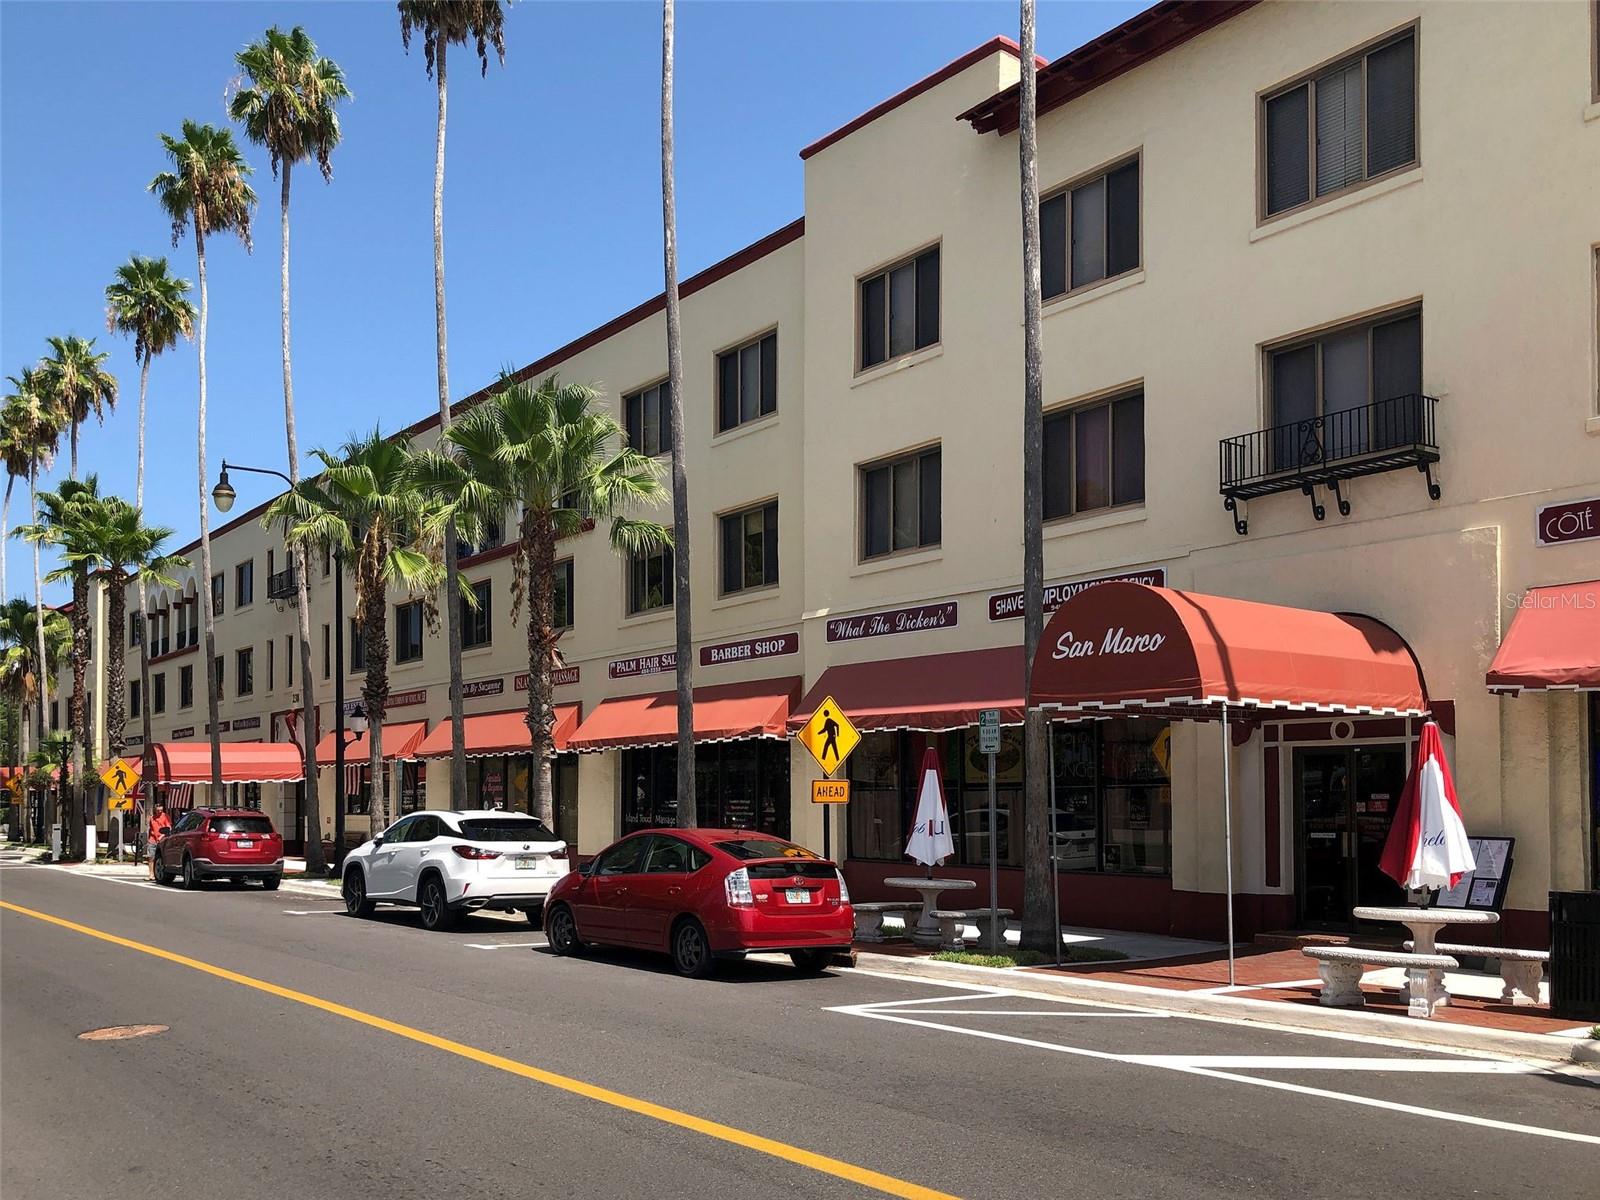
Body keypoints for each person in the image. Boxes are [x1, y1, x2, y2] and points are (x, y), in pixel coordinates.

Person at [146, 800, 171, 879]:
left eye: (160, 810)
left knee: (161, 857)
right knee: (151, 857)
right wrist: (149, 839)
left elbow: (169, 828)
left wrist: (162, 836)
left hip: (162, 840)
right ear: (155, 809)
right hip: (152, 839)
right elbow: (150, 829)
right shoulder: (152, 818)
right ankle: (151, 874)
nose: (159, 812)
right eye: (158, 810)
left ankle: (160, 874)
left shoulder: (165, 816)